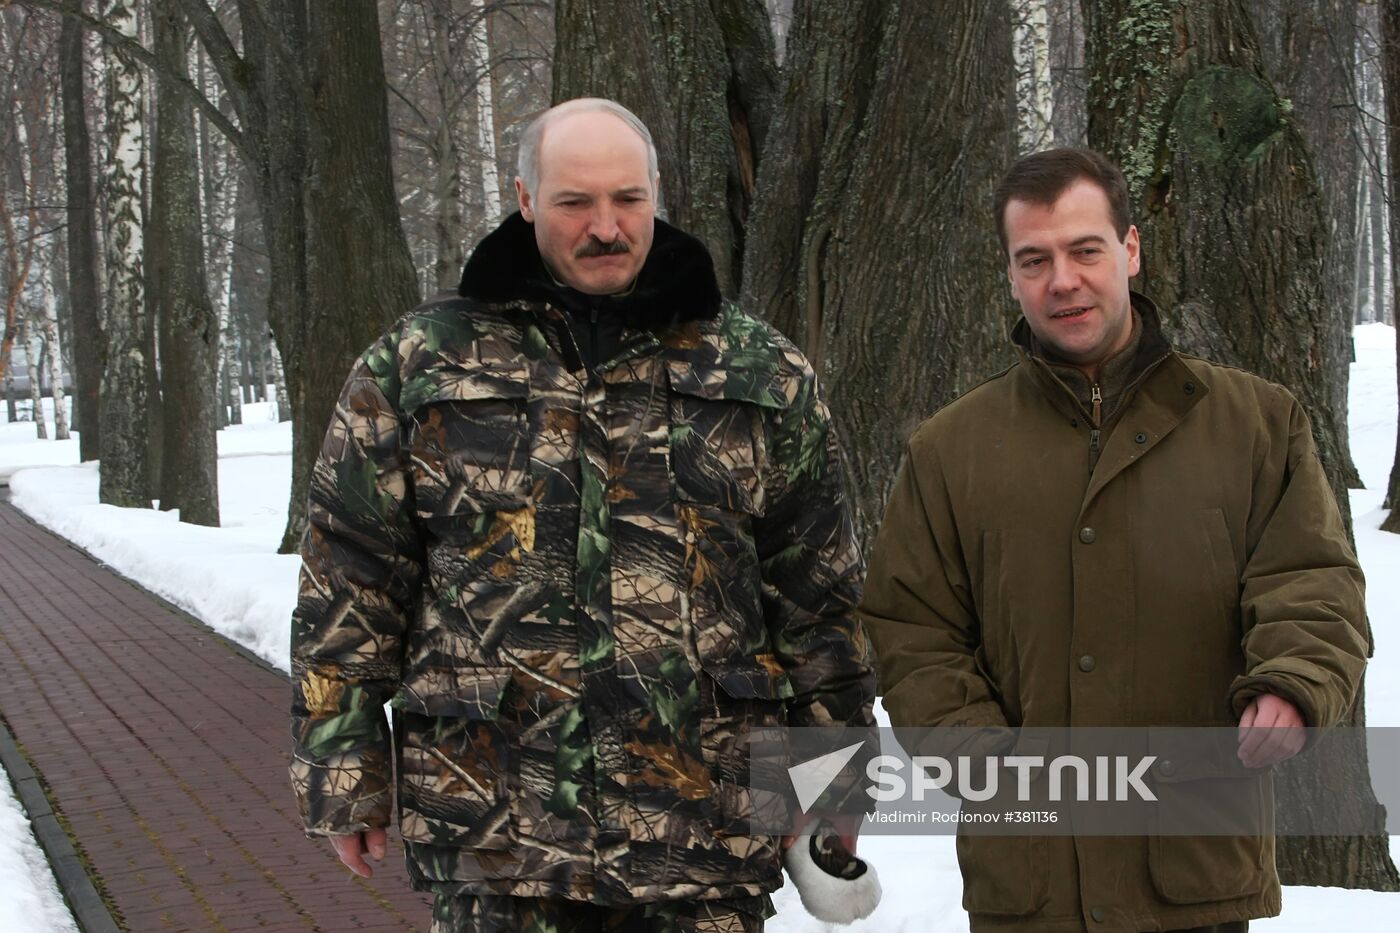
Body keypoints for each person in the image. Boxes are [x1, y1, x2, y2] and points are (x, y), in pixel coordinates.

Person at [289, 97, 876, 933]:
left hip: (701, 831)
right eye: (575, 202)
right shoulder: (420, 365)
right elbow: (349, 576)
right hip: (502, 831)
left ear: (657, 193)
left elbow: (818, 594)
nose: (606, 225)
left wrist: (834, 780)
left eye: (627, 199)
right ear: (526, 199)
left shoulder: (757, 370)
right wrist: (344, 767)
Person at [859, 148, 1368, 932]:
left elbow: (1313, 582)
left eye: (1084, 249)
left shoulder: (1255, 424)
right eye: (1035, 259)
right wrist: (986, 762)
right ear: (1011, 273)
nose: (1062, 279)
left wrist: (1293, 680)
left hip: (1195, 872)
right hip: (1029, 884)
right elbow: (911, 628)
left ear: (1130, 249)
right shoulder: (950, 450)